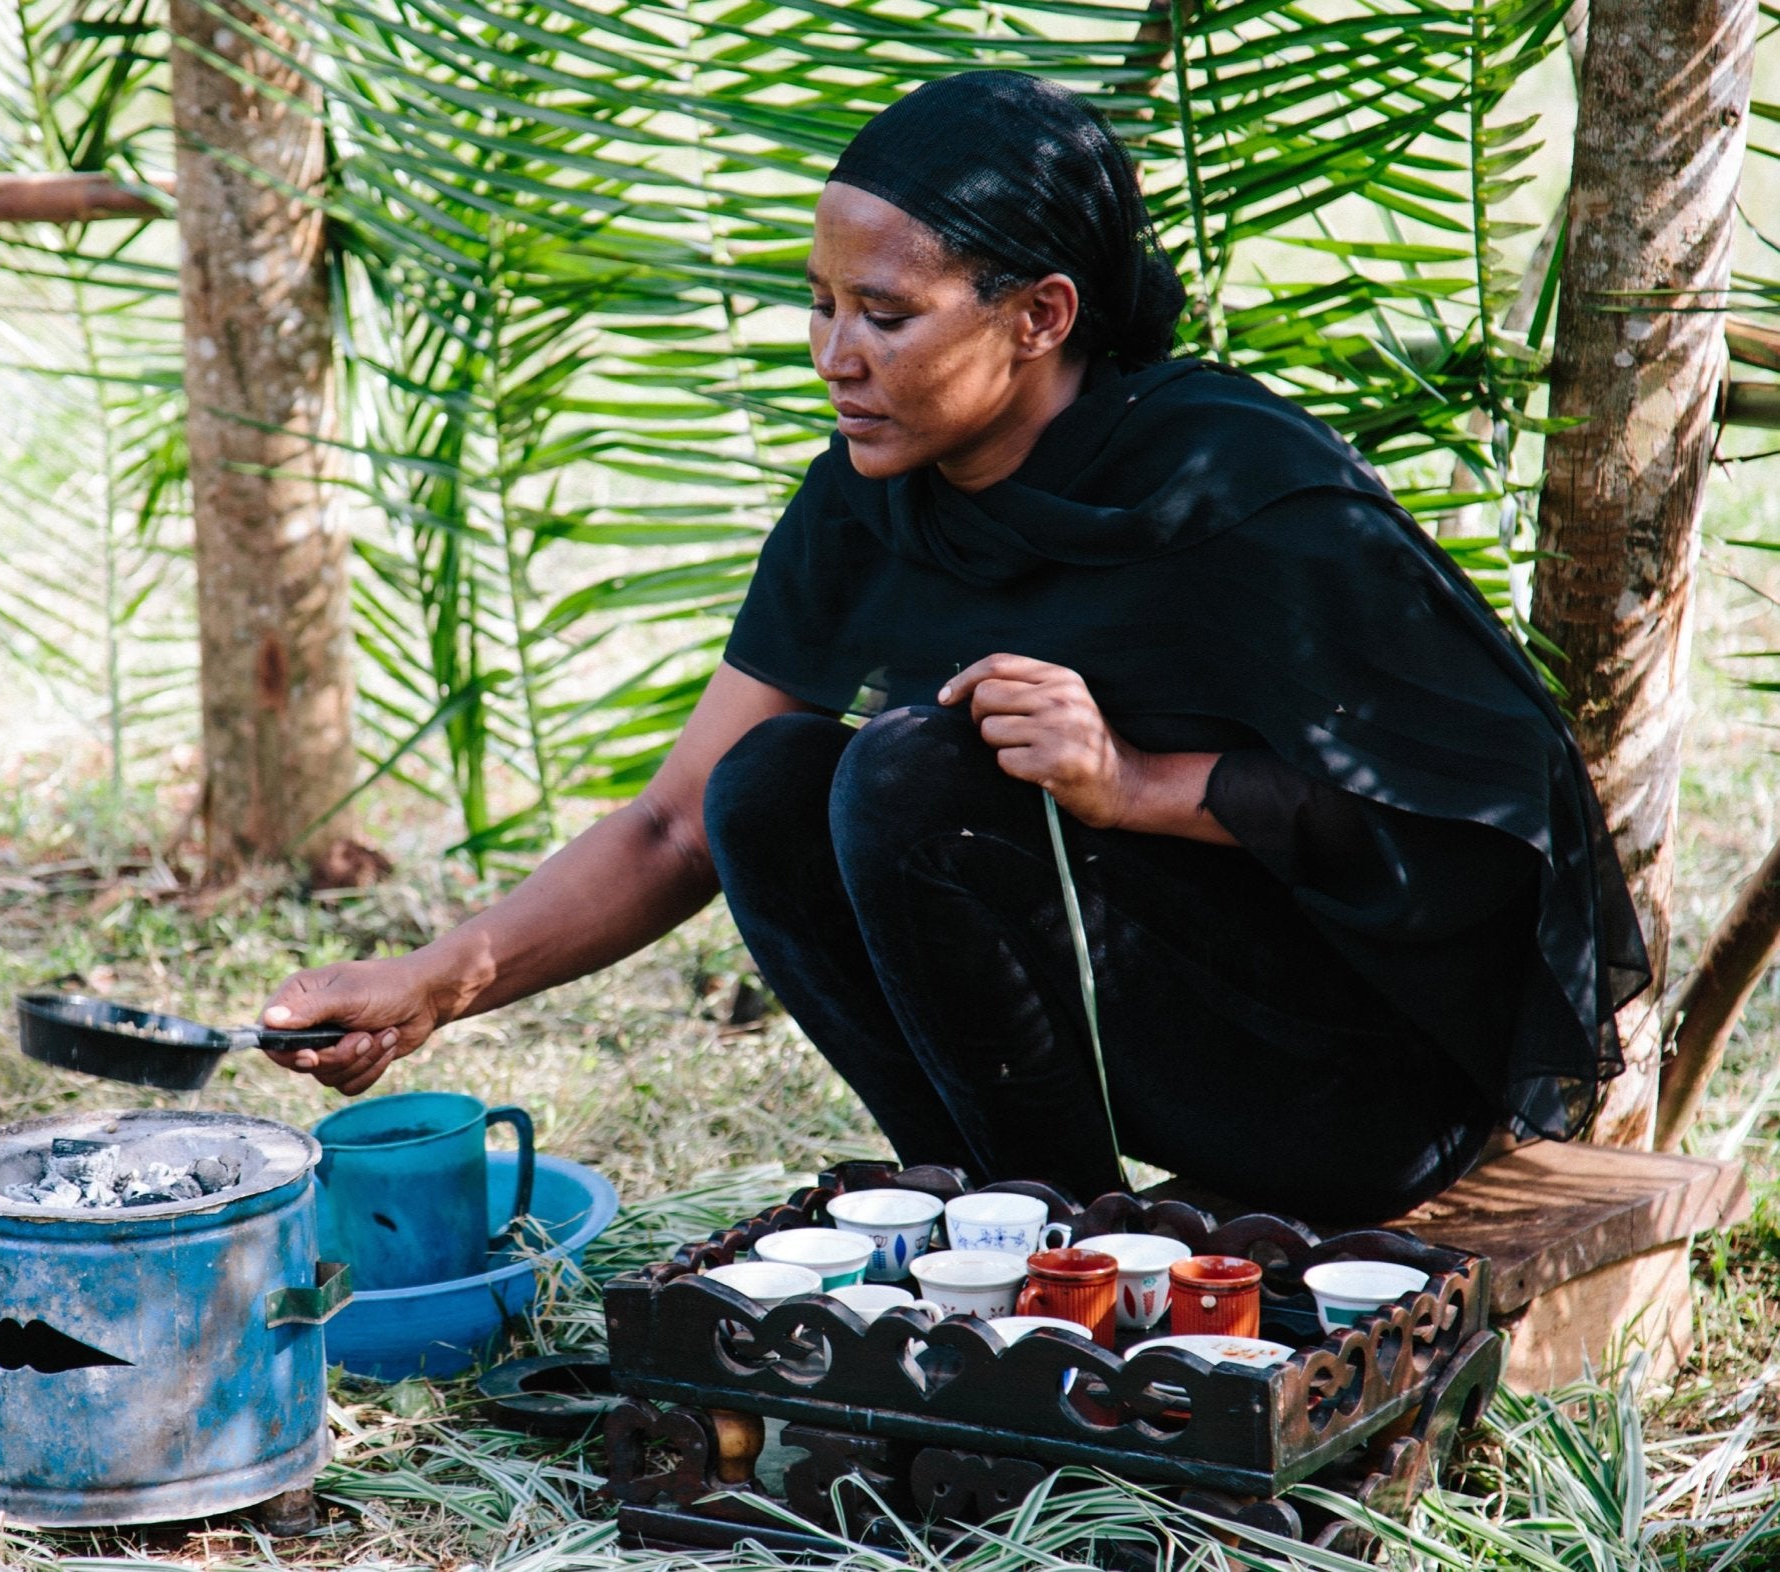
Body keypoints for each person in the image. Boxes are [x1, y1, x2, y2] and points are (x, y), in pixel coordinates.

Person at [258, 71, 1647, 1226]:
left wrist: (1141, 783)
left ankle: (1048, 1244)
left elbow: (1488, 826)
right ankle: (1009, 1217)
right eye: (819, 303)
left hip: (1357, 1083)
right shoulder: (867, 496)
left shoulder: (1236, 490)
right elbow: (678, 824)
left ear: (1038, 316)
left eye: (885, 313)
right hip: (1128, 1044)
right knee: (771, 781)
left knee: (911, 770)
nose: (832, 353)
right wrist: (438, 980)